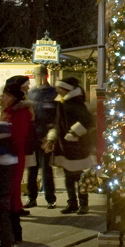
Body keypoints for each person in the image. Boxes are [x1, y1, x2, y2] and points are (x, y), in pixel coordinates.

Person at [46, 77, 96, 214]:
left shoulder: (75, 103)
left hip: (77, 146)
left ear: (66, 89)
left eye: (59, 88)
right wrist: (52, 138)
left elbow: (88, 120)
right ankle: (72, 203)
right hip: (65, 146)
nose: (56, 90)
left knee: (79, 177)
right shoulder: (62, 103)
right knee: (68, 177)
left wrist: (74, 133)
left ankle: (83, 204)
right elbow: (57, 123)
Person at [0, 75, 34, 242]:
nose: (2, 97)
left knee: (10, 192)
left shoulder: (20, 111)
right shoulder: (8, 110)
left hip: (12, 156)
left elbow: (18, 136)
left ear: (12, 96)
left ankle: (13, 232)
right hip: (3, 155)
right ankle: (8, 232)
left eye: (5, 95)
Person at [26, 68, 58, 209]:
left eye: (40, 75)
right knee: (32, 169)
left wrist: (50, 135)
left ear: (46, 76)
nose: (38, 78)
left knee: (46, 169)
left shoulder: (53, 93)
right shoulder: (31, 93)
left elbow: (56, 115)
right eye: (36, 75)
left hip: (46, 135)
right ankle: (31, 198)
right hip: (33, 135)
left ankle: (50, 199)